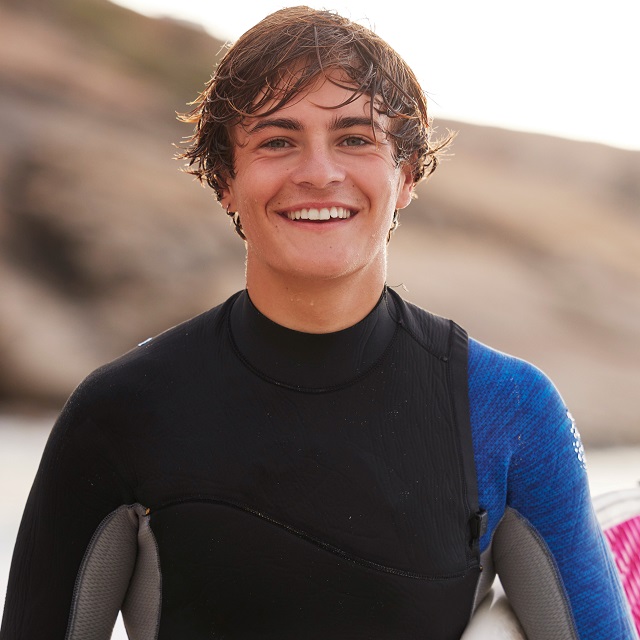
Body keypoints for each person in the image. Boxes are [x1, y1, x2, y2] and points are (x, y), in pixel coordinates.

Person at [1, 6, 636, 640]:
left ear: (405, 175)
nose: (319, 173)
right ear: (225, 179)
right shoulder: (122, 412)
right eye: (277, 141)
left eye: (355, 139)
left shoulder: (508, 410)